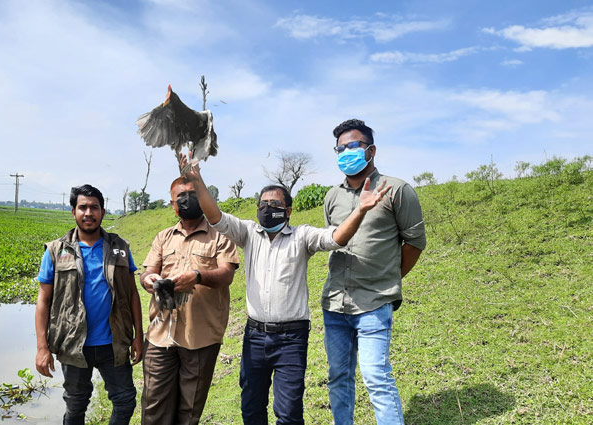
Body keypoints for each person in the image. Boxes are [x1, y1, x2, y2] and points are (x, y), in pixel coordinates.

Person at [180, 153, 391, 425]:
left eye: (275, 204)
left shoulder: (302, 236)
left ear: (288, 211)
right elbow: (216, 216)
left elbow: (336, 238)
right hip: (255, 335)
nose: (267, 208)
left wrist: (360, 210)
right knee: (251, 406)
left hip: (292, 337)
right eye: (263, 204)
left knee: (289, 411)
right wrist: (197, 181)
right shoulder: (248, 233)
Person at [323, 119, 427, 425]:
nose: (345, 153)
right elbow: (332, 239)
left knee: (376, 377)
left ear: (371, 150)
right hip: (335, 303)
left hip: (375, 302)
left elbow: (415, 243)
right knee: (338, 377)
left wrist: (389, 277)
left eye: (352, 146)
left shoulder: (397, 190)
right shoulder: (332, 197)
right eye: (340, 148)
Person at [34, 184, 144, 425]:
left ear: (103, 212)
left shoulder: (120, 248)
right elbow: (43, 300)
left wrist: (139, 336)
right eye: (82, 207)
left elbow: (133, 293)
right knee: (76, 406)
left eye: (94, 207)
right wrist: (42, 347)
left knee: (125, 401)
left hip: (113, 343)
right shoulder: (56, 250)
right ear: (73, 211)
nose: (88, 213)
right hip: (73, 344)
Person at [139, 176, 240, 425]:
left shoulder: (220, 235)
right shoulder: (163, 237)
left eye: (192, 195)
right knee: (153, 406)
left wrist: (197, 276)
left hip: (201, 336)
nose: (186, 201)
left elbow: (226, 274)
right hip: (160, 334)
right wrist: (150, 280)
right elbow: (146, 273)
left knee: (189, 409)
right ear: (172, 204)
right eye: (180, 197)